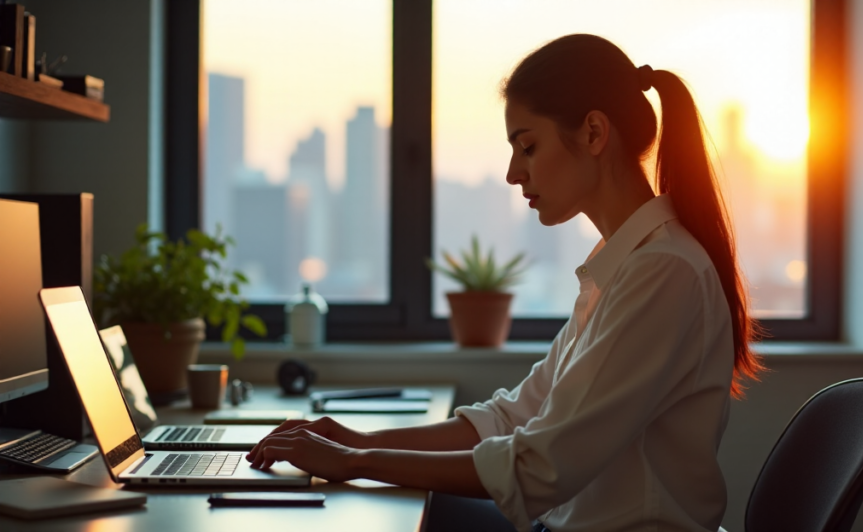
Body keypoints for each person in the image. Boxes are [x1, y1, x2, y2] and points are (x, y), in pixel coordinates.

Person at [246, 34, 763, 532]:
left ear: (593, 133)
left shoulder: (662, 272)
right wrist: (355, 440)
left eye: (528, 146)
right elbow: (514, 415)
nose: (515, 173)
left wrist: (357, 460)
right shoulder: (621, 265)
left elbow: (539, 467)